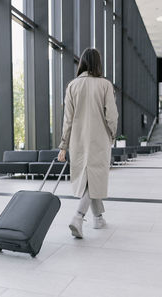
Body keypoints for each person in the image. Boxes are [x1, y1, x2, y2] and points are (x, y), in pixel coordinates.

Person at [58, 48, 118, 238]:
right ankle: (78, 216)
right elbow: (112, 116)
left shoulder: (72, 86)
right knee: (94, 178)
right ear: (98, 63)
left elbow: (67, 119)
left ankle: (98, 218)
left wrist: (63, 146)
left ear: (82, 63)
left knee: (90, 177)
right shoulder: (105, 85)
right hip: (99, 139)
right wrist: (112, 134)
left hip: (78, 140)